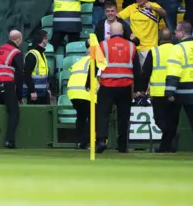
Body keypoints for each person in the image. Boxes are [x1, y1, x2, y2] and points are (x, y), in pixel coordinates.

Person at [164, 21, 193, 154]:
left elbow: (174, 71)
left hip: (180, 89)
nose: (175, 33)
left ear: (182, 33)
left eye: (176, 31)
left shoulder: (177, 48)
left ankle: (167, 146)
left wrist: (170, 91)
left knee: (172, 120)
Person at [96, 21, 141, 153]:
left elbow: (94, 65)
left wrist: (89, 83)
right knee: (124, 116)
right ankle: (122, 145)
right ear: (122, 32)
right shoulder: (132, 46)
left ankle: (101, 141)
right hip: (125, 86)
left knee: (103, 114)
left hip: (107, 85)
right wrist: (138, 89)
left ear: (109, 32)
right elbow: (137, 70)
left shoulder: (102, 45)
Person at [140, 28, 177, 153]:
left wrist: (142, 88)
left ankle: (168, 141)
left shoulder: (154, 51)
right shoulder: (178, 50)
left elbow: (146, 72)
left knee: (159, 119)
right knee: (171, 120)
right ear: (171, 38)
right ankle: (168, 144)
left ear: (159, 39)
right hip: (175, 91)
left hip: (158, 92)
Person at [0, 30, 23, 148]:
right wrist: (19, 95)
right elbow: (20, 74)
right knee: (14, 112)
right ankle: (9, 141)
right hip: (7, 84)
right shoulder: (16, 52)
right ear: (18, 40)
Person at [118, 0, 166, 66]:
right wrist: (128, 32)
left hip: (150, 48)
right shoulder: (132, 7)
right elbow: (117, 18)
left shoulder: (153, 6)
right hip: (134, 48)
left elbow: (164, 13)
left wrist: (152, 7)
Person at [67, 45, 99, 149]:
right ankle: (86, 141)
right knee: (94, 117)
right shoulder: (96, 62)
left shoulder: (78, 62)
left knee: (81, 116)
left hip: (73, 93)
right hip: (86, 92)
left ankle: (79, 141)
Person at [22, 29, 50, 104]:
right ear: (43, 40)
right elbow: (26, 74)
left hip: (42, 93)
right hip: (34, 94)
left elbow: (44, 74)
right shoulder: (32, 55)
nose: (47, 40)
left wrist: (47, 89)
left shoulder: (41, 54)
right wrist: (32, 91)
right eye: (47, 38)